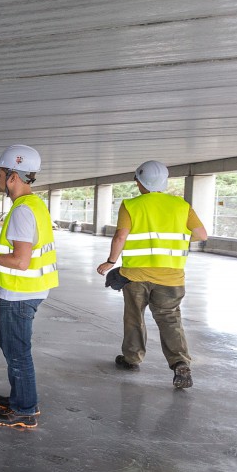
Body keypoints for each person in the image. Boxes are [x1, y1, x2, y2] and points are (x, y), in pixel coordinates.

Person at [0, 145, 58, 429]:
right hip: (28, 290)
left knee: (17, 350)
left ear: (13, 176)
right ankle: (21, 397)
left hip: (20, 292)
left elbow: (20, 261)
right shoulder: (34, 205)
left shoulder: (21, 211)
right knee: (13, 347)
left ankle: (24, 409)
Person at [96, 161, 207, 389]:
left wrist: (110, 262)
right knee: (170, 319)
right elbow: (201, 234)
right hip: (171, 277)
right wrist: (176, 238)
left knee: (134, 317)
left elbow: (120, 236)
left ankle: (132, 358)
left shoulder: (131, 205)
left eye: (137, 179)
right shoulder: (181, 205)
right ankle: (180, 363)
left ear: (140, 181)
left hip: (136, 276)